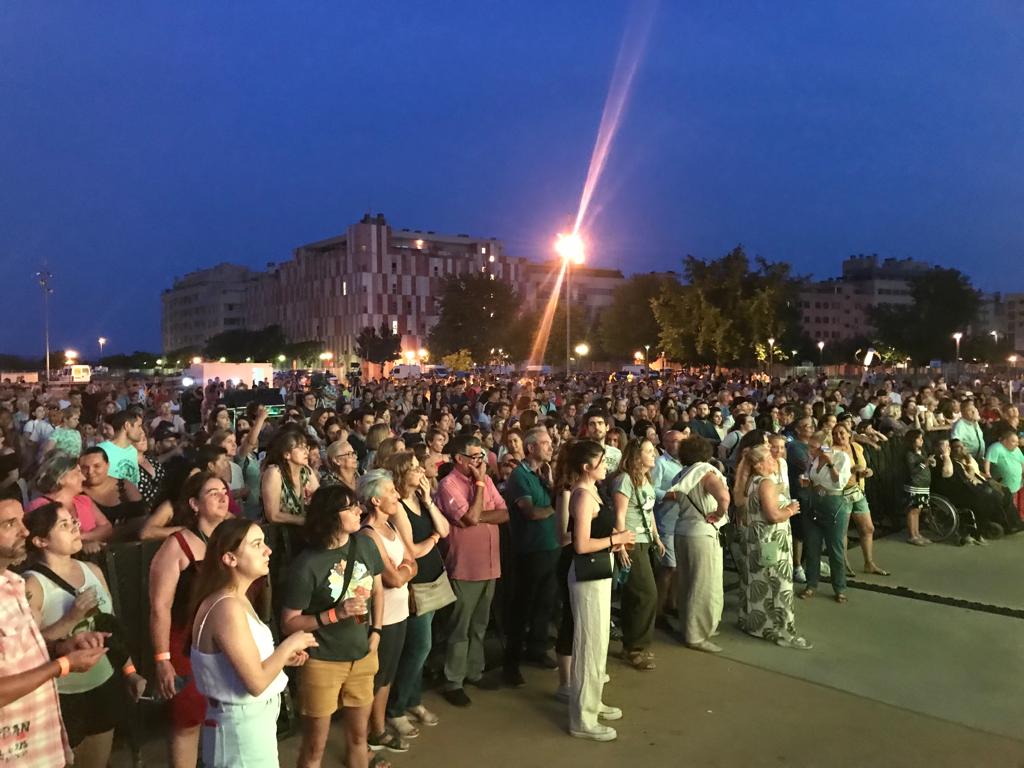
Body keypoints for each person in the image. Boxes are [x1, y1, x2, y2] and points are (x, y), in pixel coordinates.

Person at [22, 502, 147, 768]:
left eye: (74, 522)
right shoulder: (32, 584)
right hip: (61, 694)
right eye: (64, 525)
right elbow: (27, 647)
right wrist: (71, 619)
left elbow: (110, 629)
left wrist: (129, 671)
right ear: (41, 540)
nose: (75, 529)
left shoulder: (93, 571)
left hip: (101, 684)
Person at [190, 518, 318, 768]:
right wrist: (288, 646)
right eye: (256, 544)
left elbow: (244, 662)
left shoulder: (235, 598)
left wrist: (281, 659)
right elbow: (256, 682)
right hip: (240, 727)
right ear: (230, 558)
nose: (267, 550)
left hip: (249, 722)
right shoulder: (227, 607)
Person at [281, 484, 387, 768]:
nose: (359, 511)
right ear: (330, 516)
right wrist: (334, 614)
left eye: (357, 505)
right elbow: (289, 622)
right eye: (350, 507)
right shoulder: (307, 565)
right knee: (315, 746)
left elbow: (378, 589)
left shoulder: (364, 544)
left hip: (362, 654)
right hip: (322, 661)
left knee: (358, 738)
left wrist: (376, 631)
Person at [0, 498, 109, 767]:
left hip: (39, 745)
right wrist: (63, 665)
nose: (24, 532)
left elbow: (20, 654)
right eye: (9, 524)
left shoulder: (11, 584)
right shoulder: (29, 583)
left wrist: (63, 647)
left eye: (22, 522)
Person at [149, 472, 232, 768]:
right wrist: (162, 659)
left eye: (224, 490)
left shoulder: (235, 537)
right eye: (213, 492)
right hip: (186, 644)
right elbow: (160, 606)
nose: (223, 495)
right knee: (188, 720)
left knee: (226, 716)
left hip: (228, 641)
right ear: (194, 504)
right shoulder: (176, 545)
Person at [565, 439, 634, 742]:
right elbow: (580, 544)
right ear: (586, 467)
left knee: (599, 642)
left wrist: (616, 539)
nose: (606, 466)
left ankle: (593, 702)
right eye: (602, 461)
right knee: (589, 644)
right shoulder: (582, 497)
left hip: (601, 571)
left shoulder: (595, 492)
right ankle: (582, 716)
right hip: (588, 575)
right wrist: (613, 541)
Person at [436, 434, 508, 707]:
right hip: (465, 566)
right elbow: (467, 518)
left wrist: (479, 515)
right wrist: (478, 487)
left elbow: (503, 513)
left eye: (482, 456)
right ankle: (453, 680)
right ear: (459, 459)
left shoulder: (487, 481)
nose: (482, 462)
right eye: (476, 457)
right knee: (460, 627)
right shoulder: (448, 485)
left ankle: (474, 671)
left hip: (490, 564)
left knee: (480, 624)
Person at [384, 451, 447, 737]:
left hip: (433, 577)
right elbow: (411, 551)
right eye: (412, 468)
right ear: (400, 474)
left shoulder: (420, 498)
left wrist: (430, 500)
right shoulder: (397, 506)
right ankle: (396, 709)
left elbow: (444, 529)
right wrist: (432, 538)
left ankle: (413, 700)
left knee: (421, 647)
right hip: (414, 581)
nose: (419, 471)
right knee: (418, 647)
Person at [358, 470, 418, 754]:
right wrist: (403, 571)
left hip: (399, 610)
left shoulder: (392, 526)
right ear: (374, 500)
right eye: (391, 491)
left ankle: (377, 727)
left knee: (388, 673)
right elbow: (392, 579)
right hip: (381, 617)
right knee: (377, 676)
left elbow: (410, 563)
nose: (397, 495)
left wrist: (402, 571)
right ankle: (372, 731)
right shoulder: (368, 534)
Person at [502, 427, 559, 687]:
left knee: (545, 603)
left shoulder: (543, 472)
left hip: (550, 545)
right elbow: (531, 512)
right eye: (545, 443)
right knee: (522, 607)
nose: (550, 447)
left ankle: (537, 648)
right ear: (531, 448)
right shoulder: (519, 476)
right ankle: (510, 664)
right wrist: (556, 507)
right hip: (530, 550)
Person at [741, 446, 810, 649]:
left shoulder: (751, 482)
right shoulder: (766, 483)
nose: (775, 459)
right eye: (770, 457)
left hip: (757, 540)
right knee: (778, 585)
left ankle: (757, 625)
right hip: (772, 542)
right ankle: (783, 632)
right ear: (759, 464)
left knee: (758, 581)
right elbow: (772, 515)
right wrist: (790, 509)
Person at [669, 436, 730, 652]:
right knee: (703, 584)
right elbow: (723, 497)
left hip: (682, 531)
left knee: (686, 582)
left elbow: (674, 497)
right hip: (702, 533)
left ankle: (689, 627)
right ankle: (697, 635)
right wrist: (719, 513)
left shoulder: (682, 474)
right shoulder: (707, 472)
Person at [612, 438, 664, 671]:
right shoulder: (625, 480)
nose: (654, 454)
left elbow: (648, 510)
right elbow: (620, 514)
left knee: (636, 595)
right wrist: (621, 544)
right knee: (647, 594)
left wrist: (656, 536)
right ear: (636, 455)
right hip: (631, 542)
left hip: (644, 540)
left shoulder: (645, 479)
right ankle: (637, 647)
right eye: (649, 451)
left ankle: (631, 644)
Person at [800, 431, 854, 603]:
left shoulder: (841, 457)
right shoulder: (813, 459)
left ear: (825, 446)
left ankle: (840, 587)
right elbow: (811, 478)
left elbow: (839, 481)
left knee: (835, 548)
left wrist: (830, 463)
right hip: (814, 501)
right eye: (809, 446)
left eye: (814, 447)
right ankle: (811, 584)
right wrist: (807, 481)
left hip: (833, 503)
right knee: (812, 546)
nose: (810, 450)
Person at [832, 423, 888, 576]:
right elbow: (831, 473)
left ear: (849, 434)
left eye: (841, 433)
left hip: (858, 491)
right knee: (841, 530)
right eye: (835, 434)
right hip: (841, 494)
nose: (838, 436)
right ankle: (842, 564)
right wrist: (850, 471)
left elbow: (863, 466)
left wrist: (866, 472)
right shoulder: (832, 451)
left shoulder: (857, 447)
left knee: (868, 528)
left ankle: (869, 563)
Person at [30, 454, 113, 552]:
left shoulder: (84, 501)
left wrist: (82, 538)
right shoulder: (40, 506)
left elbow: (107, 528)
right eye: (77, 473)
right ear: (61, 479)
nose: (83, 478)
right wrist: (83, 543)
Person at [651, 430, 684, 626]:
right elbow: (651, 489)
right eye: (672, 441)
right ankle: (658, 611)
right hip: (665, 520)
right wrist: (671, 495)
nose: (677, 445)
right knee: (668, 567)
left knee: (678, 567)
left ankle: (672, 603)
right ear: (665, 443)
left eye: (680, 441)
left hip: (681, 520)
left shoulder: (687, 463)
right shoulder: (660, 464)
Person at [984, 424, 1024, 523]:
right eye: (1013, 441)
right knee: (1010, 503)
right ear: (1004, 441)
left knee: (1019, 502)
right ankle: (1011, 521)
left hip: (1018, 482)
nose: (1016, 444)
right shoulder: (996, 447)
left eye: (1017, 442)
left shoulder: (1016, 449)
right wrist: (987, 473)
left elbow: (1022, 462)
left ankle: (1019, 518)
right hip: (1003, 484)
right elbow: (988, 460)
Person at [96, 410, 145, 486]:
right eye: (139, 426)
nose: (142, 431)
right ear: (127, 425)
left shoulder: (133, 451)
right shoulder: (101, 450)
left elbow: (135, 483)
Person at [903, 429, 934, 546]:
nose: (922, 440)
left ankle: (917, 533)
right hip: (914, 485)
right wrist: (925, 463)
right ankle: (912, 535)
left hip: (924, 485)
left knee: (919, 510)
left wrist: (930, 462)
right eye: (919, 438)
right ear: (912, 440)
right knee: (913, 510)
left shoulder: (922, 452)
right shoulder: (909, 454)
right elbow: (913, 471)